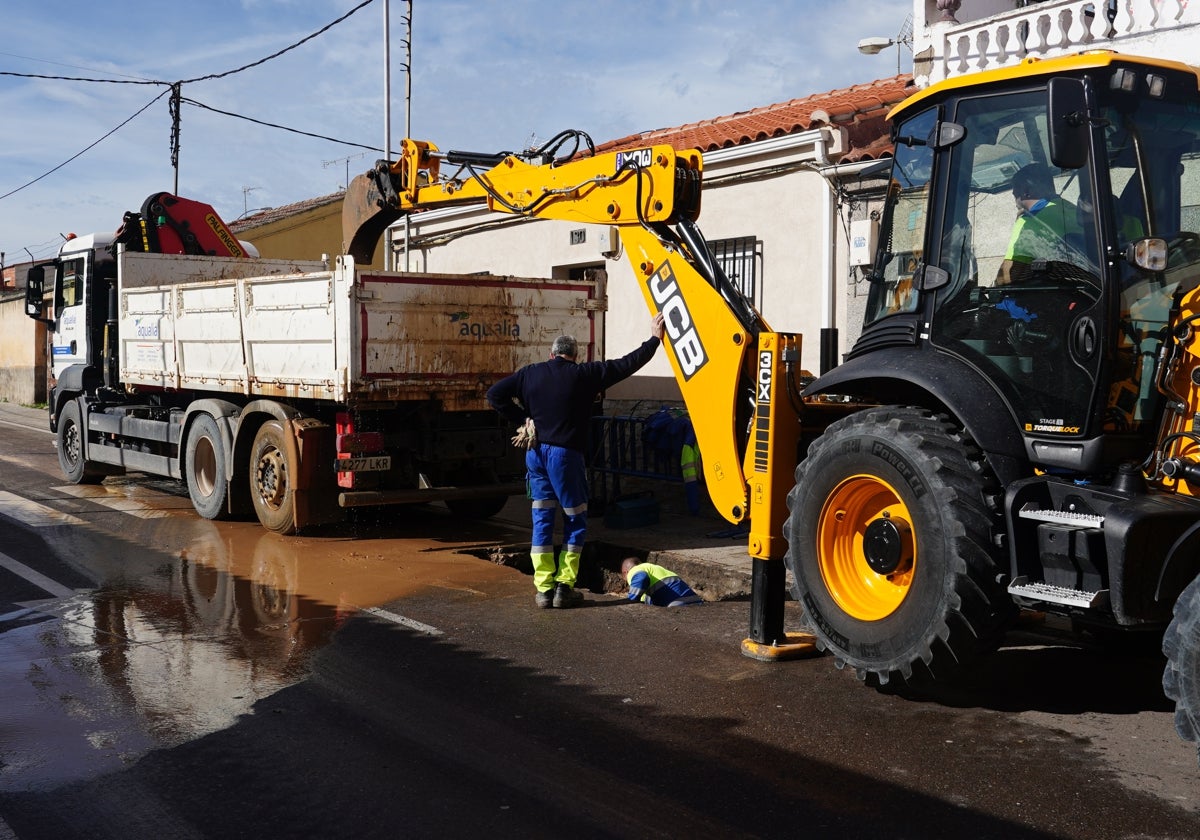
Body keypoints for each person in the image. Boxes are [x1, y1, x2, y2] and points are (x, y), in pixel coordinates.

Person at [487, 313, 666, 609]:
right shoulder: (585, 374)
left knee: (542, 519)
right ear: (575, 356)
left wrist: (523, 418)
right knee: (574, 518)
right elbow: (627, 364)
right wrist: (654, 340)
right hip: (565, 456)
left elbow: (495, 395)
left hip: (535, 453)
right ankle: (564, 587)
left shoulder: (530, 373)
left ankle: (543, 589)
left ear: (551, 354)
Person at [995, 163, 1086, 286]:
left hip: (1059, 291)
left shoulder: (1028, 223)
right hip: (1085, 284)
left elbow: (1009, 276)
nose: (1014, 197)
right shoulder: (1070, 209)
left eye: (1015, 193)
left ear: (1026, 192)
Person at [621, 557, 703, 607]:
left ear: (625, 572)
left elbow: (642, 577)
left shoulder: (635, 570)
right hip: (696, 601)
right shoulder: (654, 568)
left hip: (677, 604)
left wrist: (631, 600)